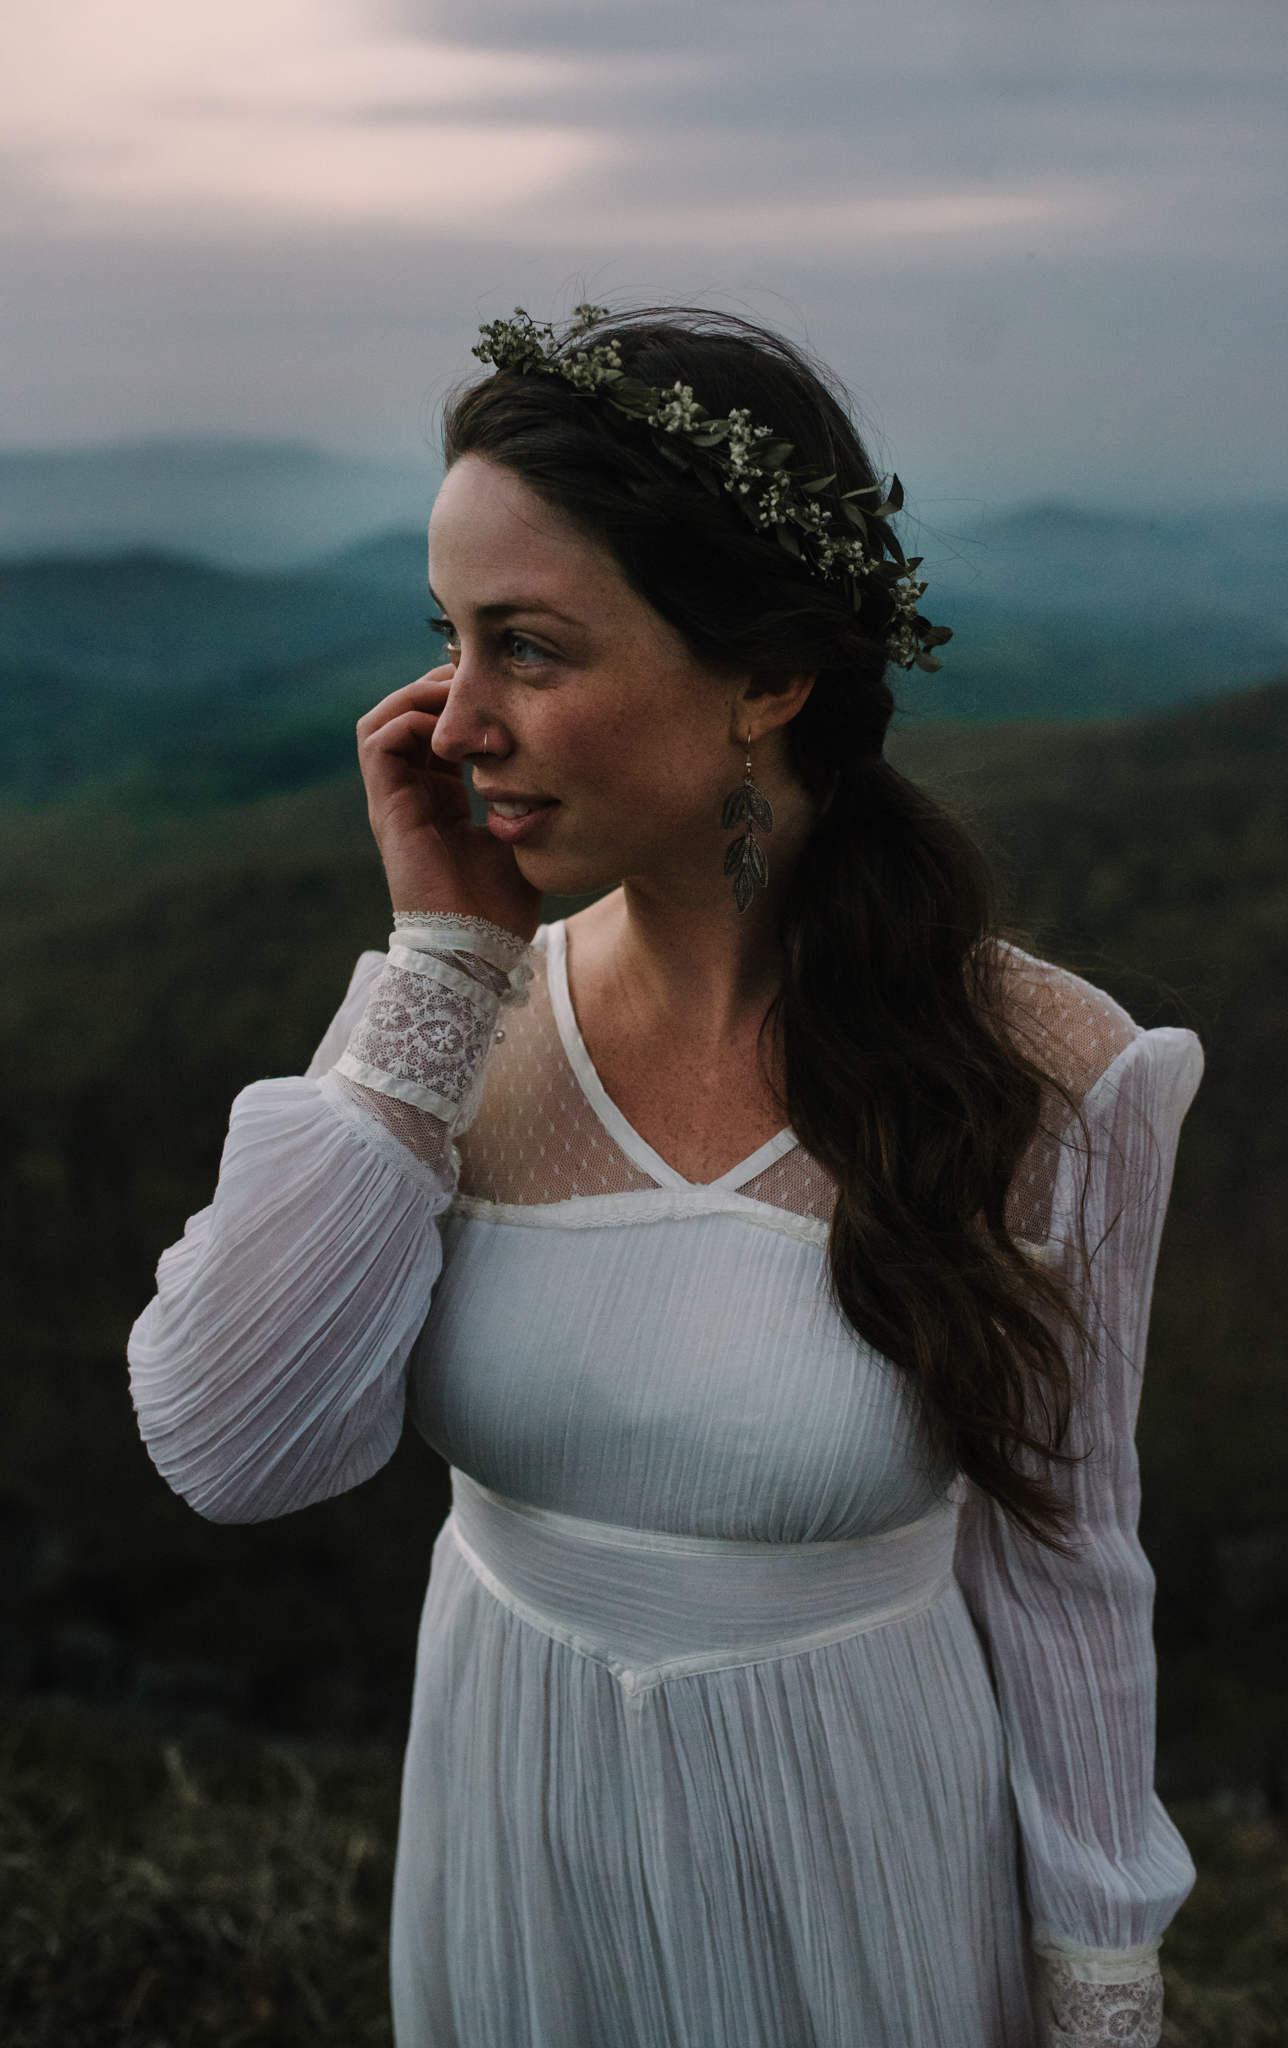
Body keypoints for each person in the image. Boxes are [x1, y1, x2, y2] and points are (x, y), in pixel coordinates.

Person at [129, 306, 1202, 2048]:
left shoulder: (1049, 1076)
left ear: (766, 679)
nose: (451, 721)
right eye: (448, 642)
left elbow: (1070, 1567)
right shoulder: (445, 1031)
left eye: (529, 649)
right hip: (511, 1856)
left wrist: (1101, 1992)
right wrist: (436, 966)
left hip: (859, 1864)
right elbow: (231, 1449)